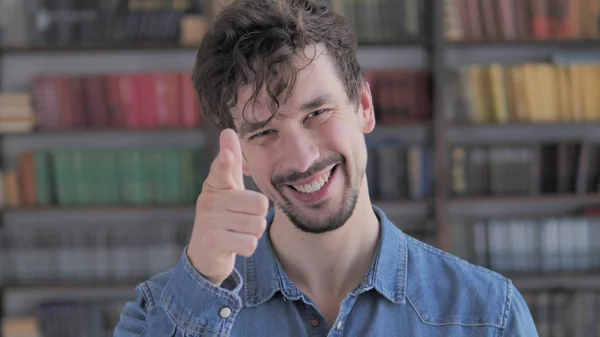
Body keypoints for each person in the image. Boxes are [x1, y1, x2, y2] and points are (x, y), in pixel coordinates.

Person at [114, 0, 538, 336]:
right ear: (239, 154)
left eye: (317, 113)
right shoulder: (155, 313)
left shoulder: (489, 315)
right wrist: (203, 279)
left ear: (365, 108)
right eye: (263, 132)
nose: (301, 159)